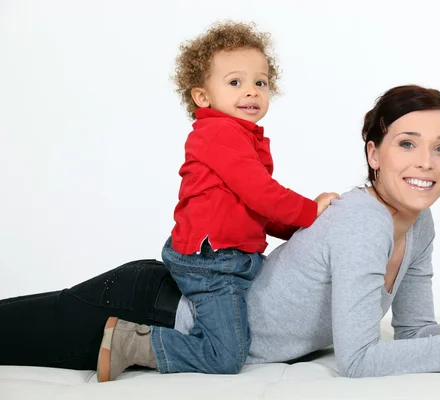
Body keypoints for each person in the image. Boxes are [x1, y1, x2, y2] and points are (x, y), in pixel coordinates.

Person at [0, 85, 440, 378]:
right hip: (152, 308)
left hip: (174, 298)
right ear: (374, 151)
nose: (426, 164)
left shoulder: (421, 226)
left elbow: (411, 332)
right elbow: (358, 361)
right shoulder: (363, 220)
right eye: (407, 144)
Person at [95, 20, 338, 382]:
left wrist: (297, 227)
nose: (252, 92)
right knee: (225, 355)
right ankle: (134, 343)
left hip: (231, 258)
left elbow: (255, 206)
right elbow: (261, 193)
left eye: (261, 82)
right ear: (202, 97)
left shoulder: (241, 137)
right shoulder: (219, 133)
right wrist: (308, 210)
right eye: (235, 82)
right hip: (212, 262)